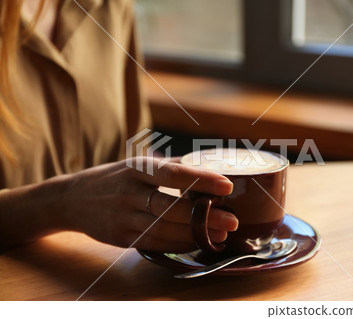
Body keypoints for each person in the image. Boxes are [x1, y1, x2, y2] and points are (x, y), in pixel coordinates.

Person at [0, 0, 238, 252]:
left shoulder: (113, 6)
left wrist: (172, 177)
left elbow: (133, 148)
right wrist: (63, 204)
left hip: (105, 272)